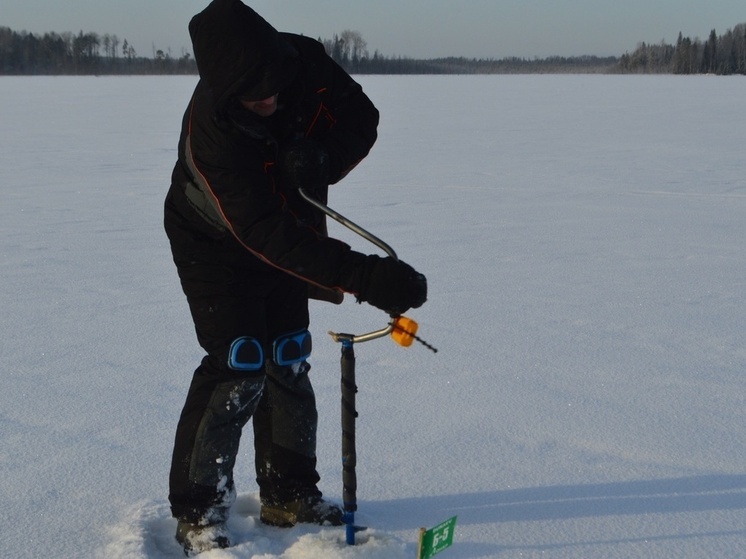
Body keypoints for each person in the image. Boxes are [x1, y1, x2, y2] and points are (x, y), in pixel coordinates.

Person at [163, 0, 427, 554]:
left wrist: (321, 159)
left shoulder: (303, 61)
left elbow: (362, 119)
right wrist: (364, 276)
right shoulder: (214, 136)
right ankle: (200, 510)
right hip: (214, 241)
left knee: (287, 353)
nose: (269, 101)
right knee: (239, 362)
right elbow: (264, 234)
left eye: (272, 89)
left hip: (287, 219)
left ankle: (288, 494)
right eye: (253, 98)